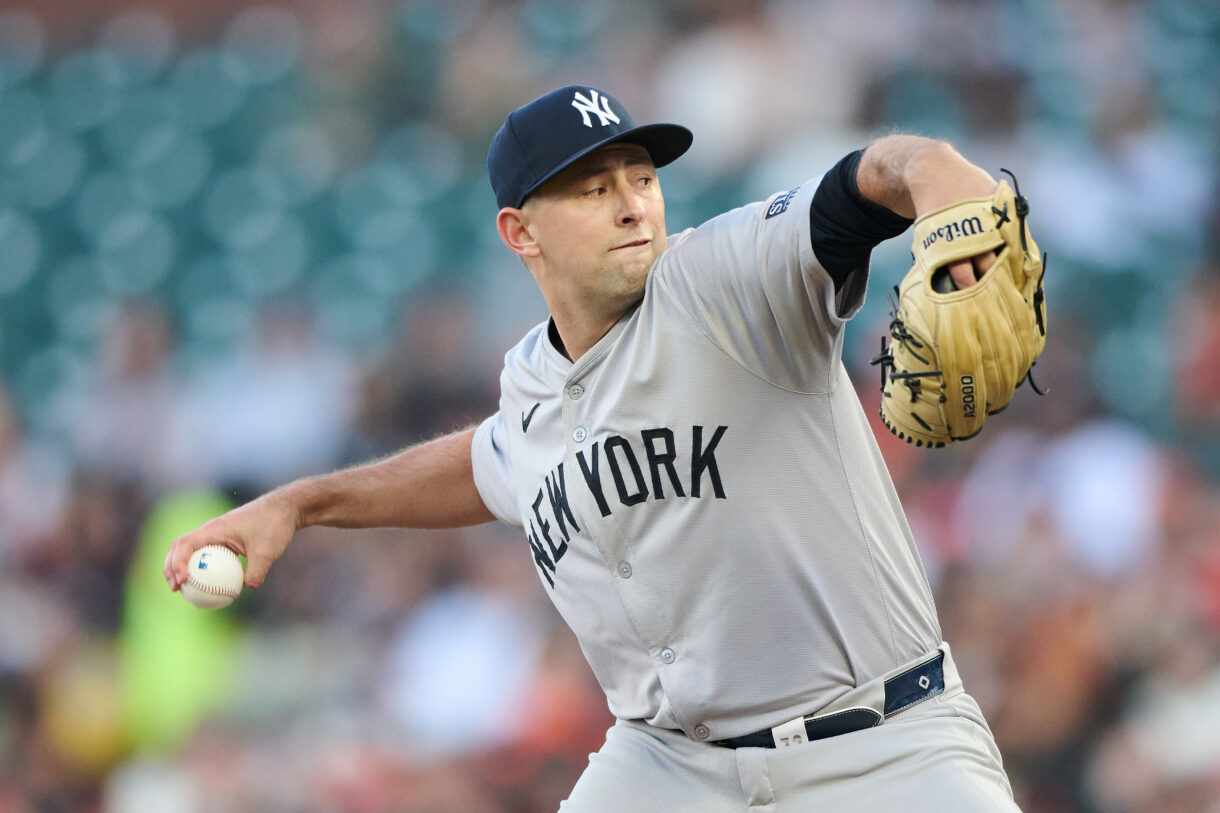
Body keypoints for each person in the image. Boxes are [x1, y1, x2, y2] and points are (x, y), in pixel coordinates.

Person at [165, 85, 1021, 811]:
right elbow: (486, 463)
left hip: (882, 746)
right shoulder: (531, 385)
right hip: (671, 767)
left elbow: (869, 182)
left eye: (641, 177)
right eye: (590, 187)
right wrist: (301, 504)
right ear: (520, 232)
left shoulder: (727, 278)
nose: (630, 202)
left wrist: (931, 171)